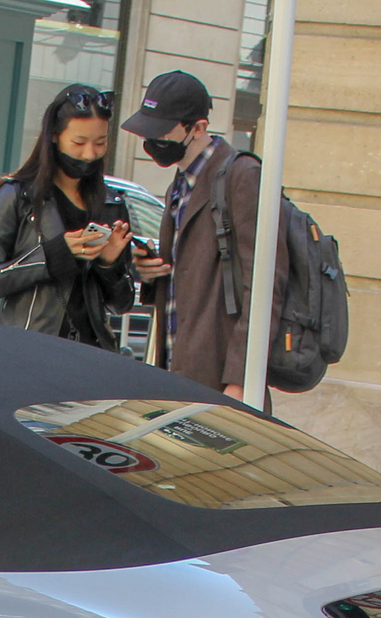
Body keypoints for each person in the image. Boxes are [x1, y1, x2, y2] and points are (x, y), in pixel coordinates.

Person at [123, 70, 260, 399]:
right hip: (176, 370)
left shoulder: (242, 176)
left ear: (198, 128)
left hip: (220, 378)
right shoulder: (179, 184)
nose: (153, 142)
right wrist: (152, 272)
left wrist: (239, 381)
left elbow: (264, 285)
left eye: (163, 132)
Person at [0, 85, 135, 349]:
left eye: (100, 143)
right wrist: (55, 254)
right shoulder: (19, 195)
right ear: (55, 137)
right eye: (79, 143)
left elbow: (121, 303)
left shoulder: (111, 203)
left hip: (92, 355)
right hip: (30, 351)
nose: (90, 154)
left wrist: (109, 264)